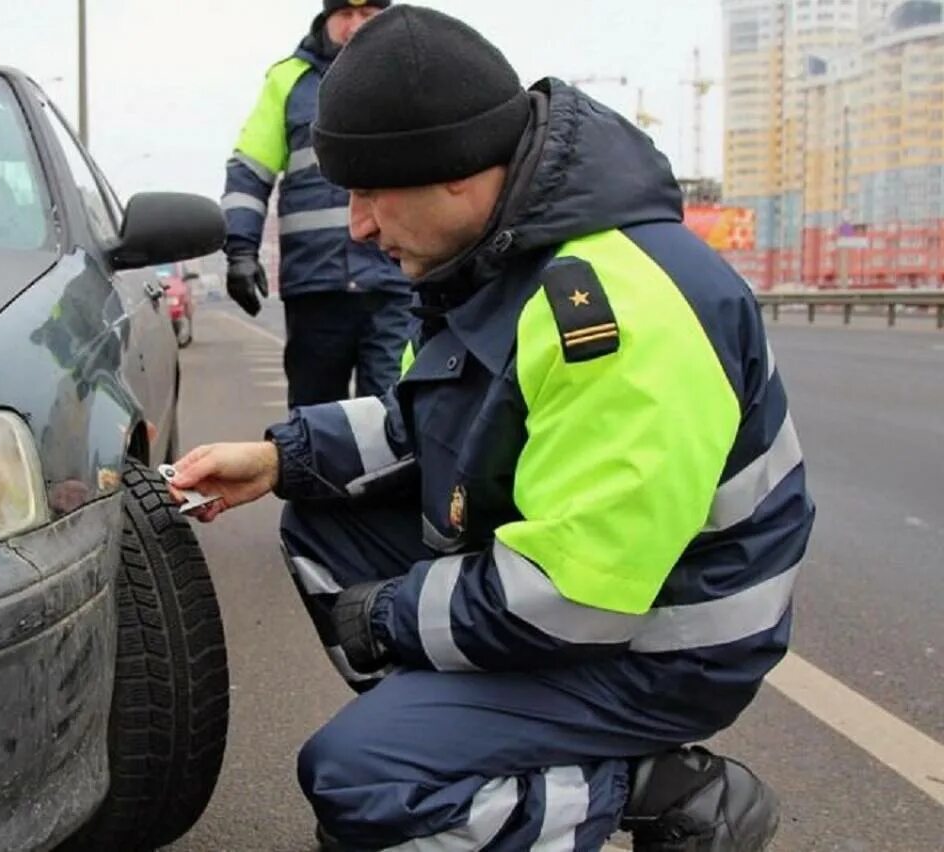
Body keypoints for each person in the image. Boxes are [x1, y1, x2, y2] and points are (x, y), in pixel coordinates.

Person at [172, 6, 814, 851]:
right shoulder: (501, 257)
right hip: (601, 593)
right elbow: (424, 422)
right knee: (324, 516)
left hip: (669, 639)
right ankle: (464, 747)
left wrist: (389, 616)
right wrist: (276, 458)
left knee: (359, 779)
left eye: (369, 192)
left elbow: (574, 596)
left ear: (457, 173)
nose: (358, 226)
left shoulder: (611, 311)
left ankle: (645, 787)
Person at [221, 0, 412, 407]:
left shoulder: (416, 75)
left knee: (397, 415)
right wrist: (240, 251)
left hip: (397, 281)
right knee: (315, 423)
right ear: (326, 20)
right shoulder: (288, 80)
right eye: (345, 15)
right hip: (318, 285)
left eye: (368, 16)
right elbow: (249, 171)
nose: (355, 26)